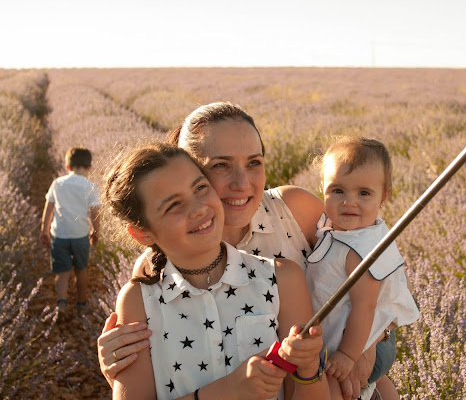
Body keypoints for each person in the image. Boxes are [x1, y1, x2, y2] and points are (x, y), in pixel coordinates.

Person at [97, 102, 399, 400]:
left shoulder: (294, 211)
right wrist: (117, 368)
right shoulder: (154, 272)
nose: (242, 183)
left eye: (254, 162)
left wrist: (367, 344)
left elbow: (373, 264)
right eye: (220, 166)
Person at [104, 142, 328, 400]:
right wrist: (225, 392)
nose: (199, 208)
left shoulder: (281, 279)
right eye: (173, 205)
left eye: (200, 188)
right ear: (142, 233)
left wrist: (309, 367)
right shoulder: (139, 300)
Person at [306, 137, 419, 400]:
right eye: (338, 191)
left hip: (364, 344)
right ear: (322, 188)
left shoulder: (361, 250)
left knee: (333, 390)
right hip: (363, 338)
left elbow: (365, 307)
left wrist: (348, 355)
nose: (349, 202)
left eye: (363, 193)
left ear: (384, 197)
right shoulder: (344, 231)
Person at [40, 147, 101, 314]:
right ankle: (81, 303)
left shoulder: (58, 183)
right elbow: (95, 214)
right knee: (81, 269)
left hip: (59, 234)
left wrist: (44, 231)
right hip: (80, 234)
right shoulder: (90, 186)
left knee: (62, 270)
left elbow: (48, 209)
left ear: (67, 167)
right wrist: (96, 232)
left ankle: (61, 302)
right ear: (89, 167)